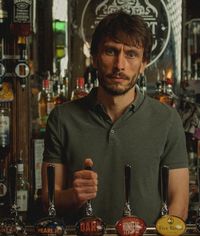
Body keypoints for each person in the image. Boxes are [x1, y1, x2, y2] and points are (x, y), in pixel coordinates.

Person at [41, 10, 189, 226]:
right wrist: (74, 195)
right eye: (111, 51)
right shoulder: (62, 118)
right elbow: (48, 201)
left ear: (143, 64)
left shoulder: (167, 120)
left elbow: (180, 203)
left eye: (131, 54)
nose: (120, 65)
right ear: (94, 57)